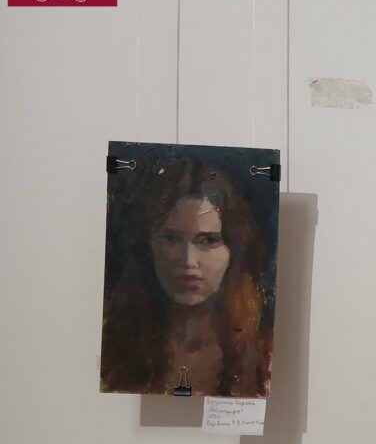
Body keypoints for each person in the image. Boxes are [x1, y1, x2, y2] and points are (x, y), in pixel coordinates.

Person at [101, 157, 271, 396]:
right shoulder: (110, 344)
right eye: (171, 239)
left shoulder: (266, 355)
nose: (189, 261)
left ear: (233, 250)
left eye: (208, 240)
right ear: (148, 246)